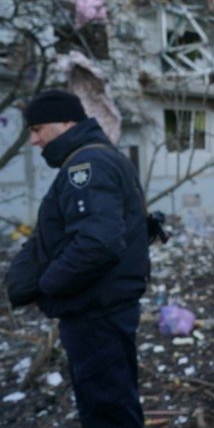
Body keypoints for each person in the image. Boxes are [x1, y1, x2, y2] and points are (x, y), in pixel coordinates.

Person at [12, 89, 149, 427]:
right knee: (112, 402)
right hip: (101, 309)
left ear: (66, 123)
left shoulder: (88, 164)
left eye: (37, 129)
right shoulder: (97, 157)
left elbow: (98, 243)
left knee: (106, 411)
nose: (33, 140)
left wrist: (48, 286)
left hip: (95, 312)